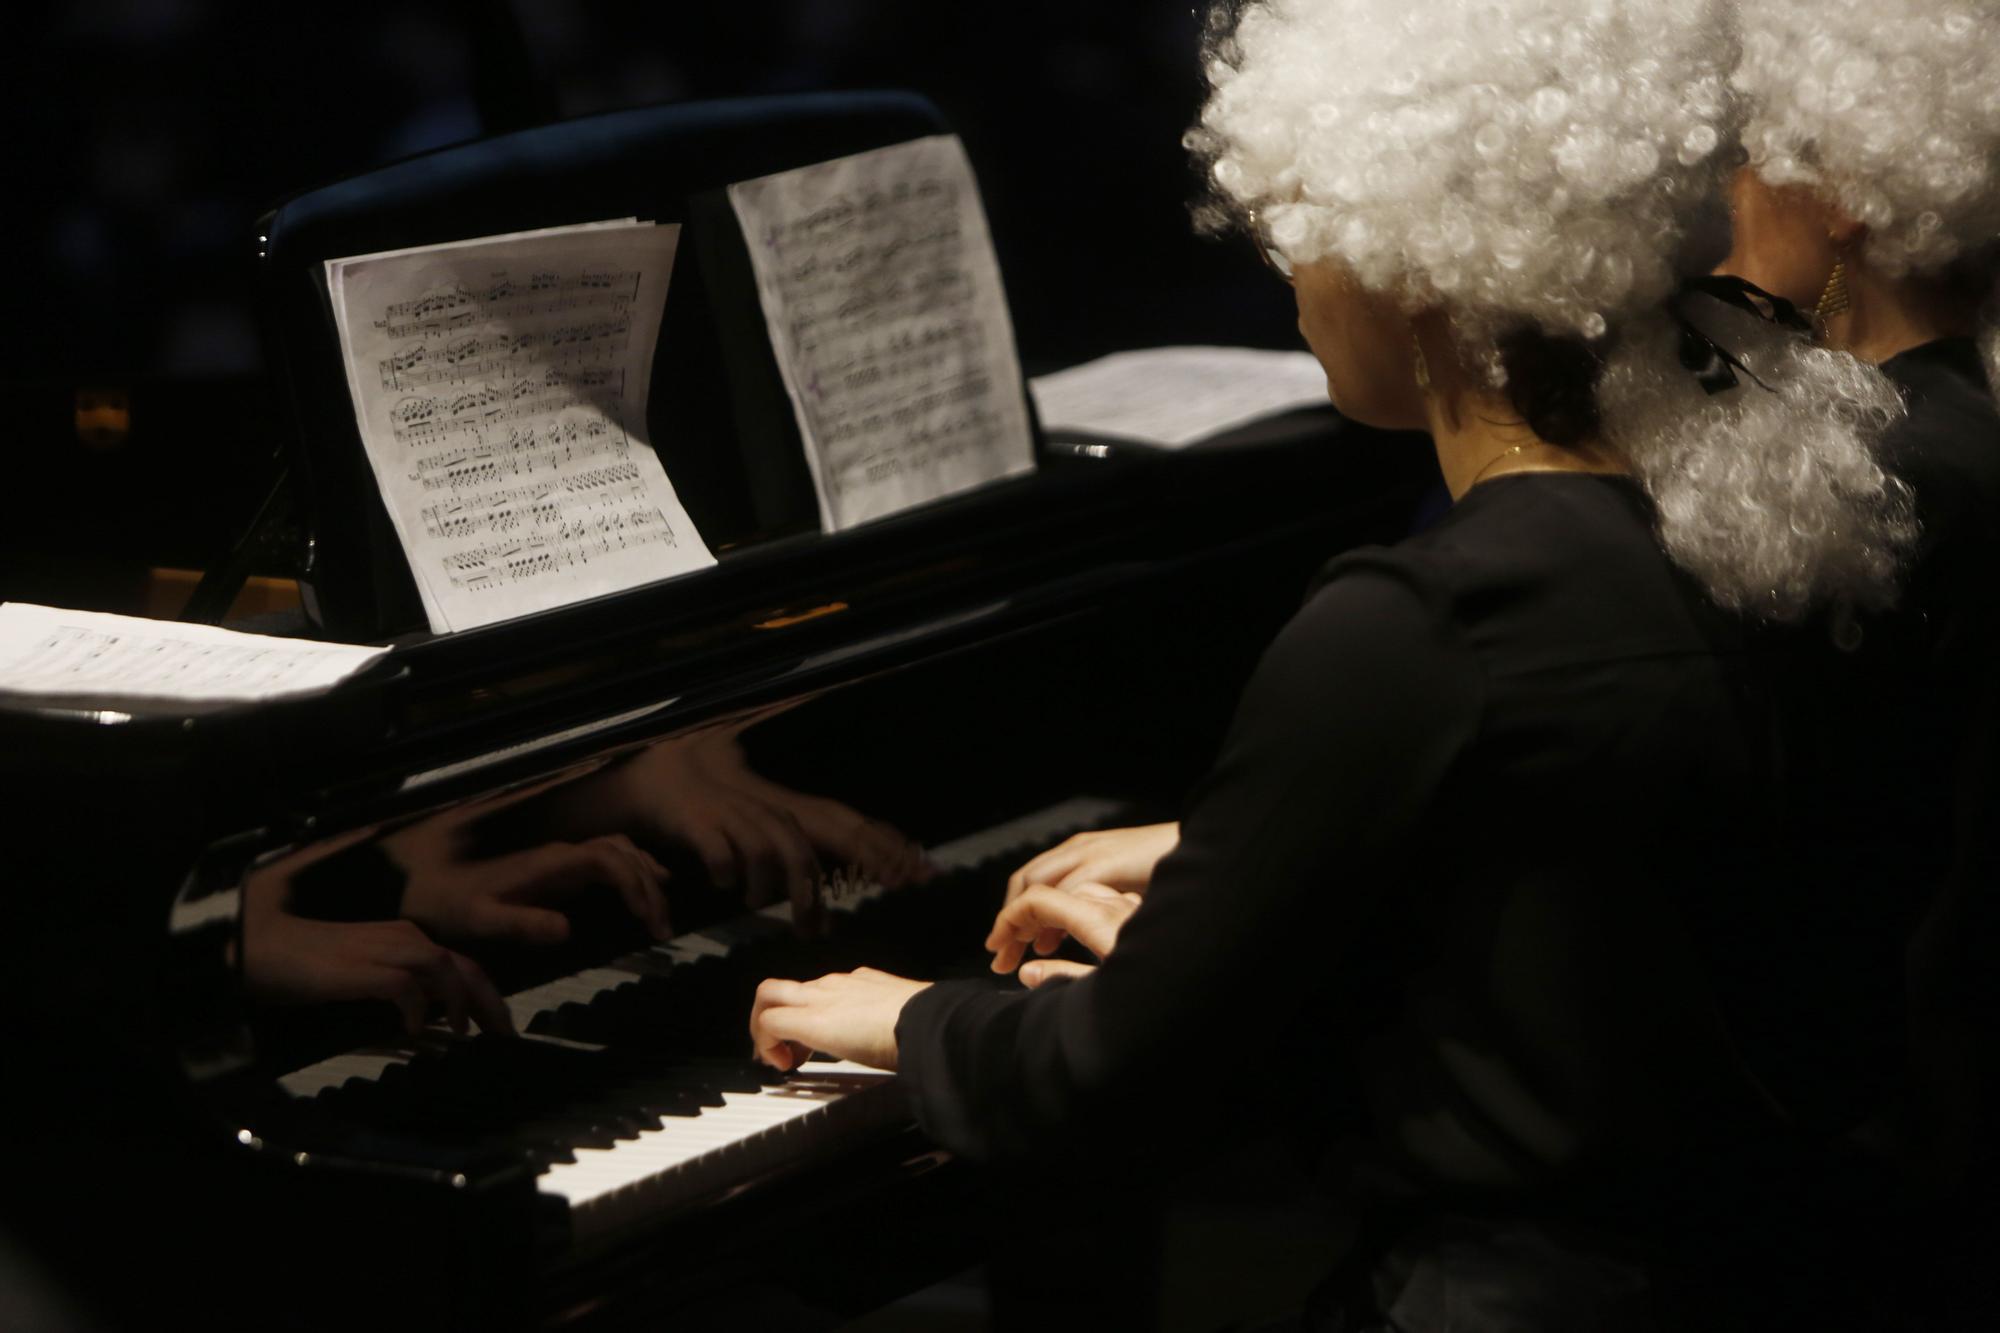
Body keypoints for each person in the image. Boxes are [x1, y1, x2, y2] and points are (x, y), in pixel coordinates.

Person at [750, 2, 1917, 1327]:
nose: (1292, 279)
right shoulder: (1736, 533)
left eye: (1303, 226)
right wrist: (1227, 906)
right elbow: (1554, 940)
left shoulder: (1419, 622)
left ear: (1412, 259)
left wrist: (905, 1019)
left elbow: (1106, 1077)